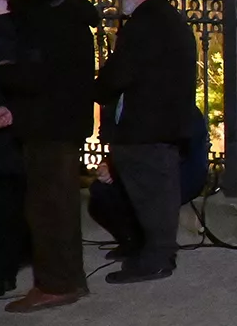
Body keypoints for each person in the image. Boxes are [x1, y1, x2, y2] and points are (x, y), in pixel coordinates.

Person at [0, 0, 98, 313]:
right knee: (59, 204)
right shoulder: (67, 14)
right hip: (62, 122)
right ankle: (67, 278)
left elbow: (37, 76)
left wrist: (6, 71)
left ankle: (55, 284)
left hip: (48, 126)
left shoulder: (41, 20)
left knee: (47, 208)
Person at [88, 0, 200, 284]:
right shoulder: (170, 20)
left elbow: (121, 71)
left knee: (152, 197)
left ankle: (156, 260)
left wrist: (98, 90)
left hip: (146, 126)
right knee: (147, 193)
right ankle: (146, 251)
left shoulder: (144, 25)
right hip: (161, 123)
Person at [90, 106, 210, 264]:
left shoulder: (168, 107)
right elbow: (126, 147)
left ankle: (155, 251)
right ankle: (133, 242)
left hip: (177, 176)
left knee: (139, 191)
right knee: (100, 193)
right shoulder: (131, 106)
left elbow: (165, 155)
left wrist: (116, 170)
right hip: (149, 170)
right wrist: (108, 165)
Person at [0, 0, 31, 299]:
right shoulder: (31, 24)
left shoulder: (5, 31)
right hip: (20, 130)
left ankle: (0, 273)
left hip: (5, 133)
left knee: (3, 203)